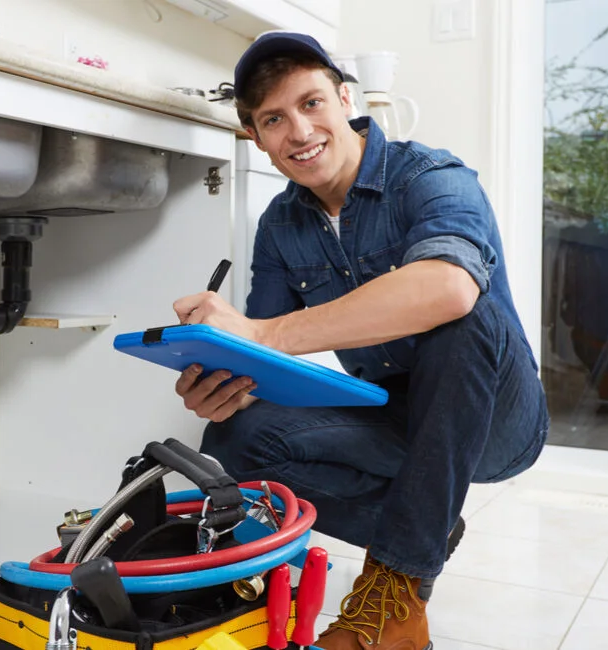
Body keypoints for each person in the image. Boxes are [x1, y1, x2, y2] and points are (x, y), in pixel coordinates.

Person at [171, 33, 550, 650]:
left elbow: (450, 291)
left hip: (497, 423)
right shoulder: (281, 224)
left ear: (345, 99)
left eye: (312, 102)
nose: (299, 130)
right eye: (274, 119)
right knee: (235, 438)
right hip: (397, 419)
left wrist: (262, 332)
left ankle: (397, 597)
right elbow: (262, 357)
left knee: (461, 310)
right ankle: (421, 529)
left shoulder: (431, 176)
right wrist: (225, 382)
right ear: (257, 140)